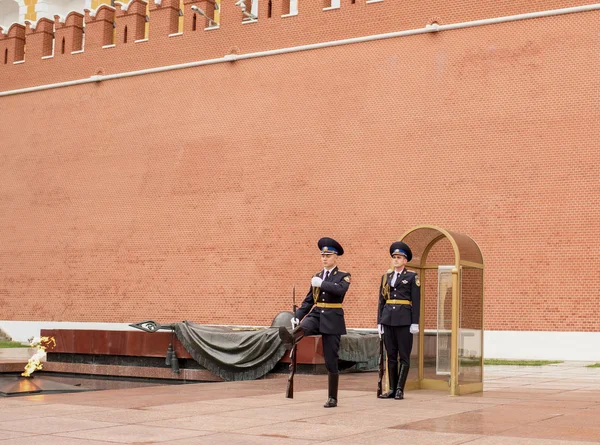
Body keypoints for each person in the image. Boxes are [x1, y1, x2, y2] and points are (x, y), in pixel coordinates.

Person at [279, 237, 351, 408]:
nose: (324, 258)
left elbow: (340, 290)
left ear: (335, 257)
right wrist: (298, 315)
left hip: (333, 316)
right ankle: (291, 338)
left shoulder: (343, 276)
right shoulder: (316, 276)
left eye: (328, 255)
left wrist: (323, 284)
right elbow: (309, 300)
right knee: (304, 327)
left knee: (331, 360)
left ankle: (332, 397)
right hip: (317, 313)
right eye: (322, 255)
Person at [377, 241, 420, 400]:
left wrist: (414, 322)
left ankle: (400, 388)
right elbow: (381, 301)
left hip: (404, 320)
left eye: (399, 257)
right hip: (388, 319)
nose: (396, 260)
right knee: (391, 355)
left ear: (405, 260)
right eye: (394, 257)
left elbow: (416, 301)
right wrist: (379, 322)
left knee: (404, 356)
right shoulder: (385, 277)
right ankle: (392, 389)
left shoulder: (411, 277)